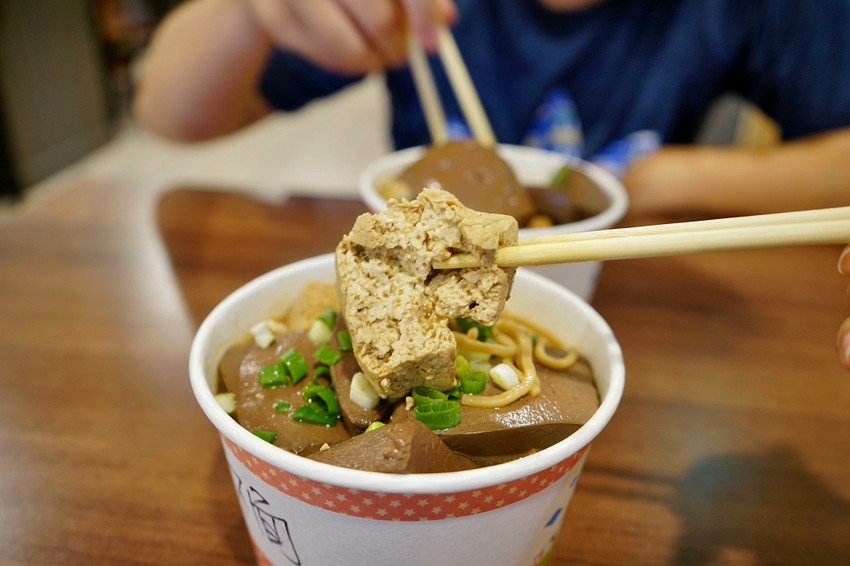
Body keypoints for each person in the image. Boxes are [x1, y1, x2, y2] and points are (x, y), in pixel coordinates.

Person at [133, 0, 850, 365]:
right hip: (403, 310)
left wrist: (667, 176)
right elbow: (166, 109)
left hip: (642, 329)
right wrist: (246, 11)